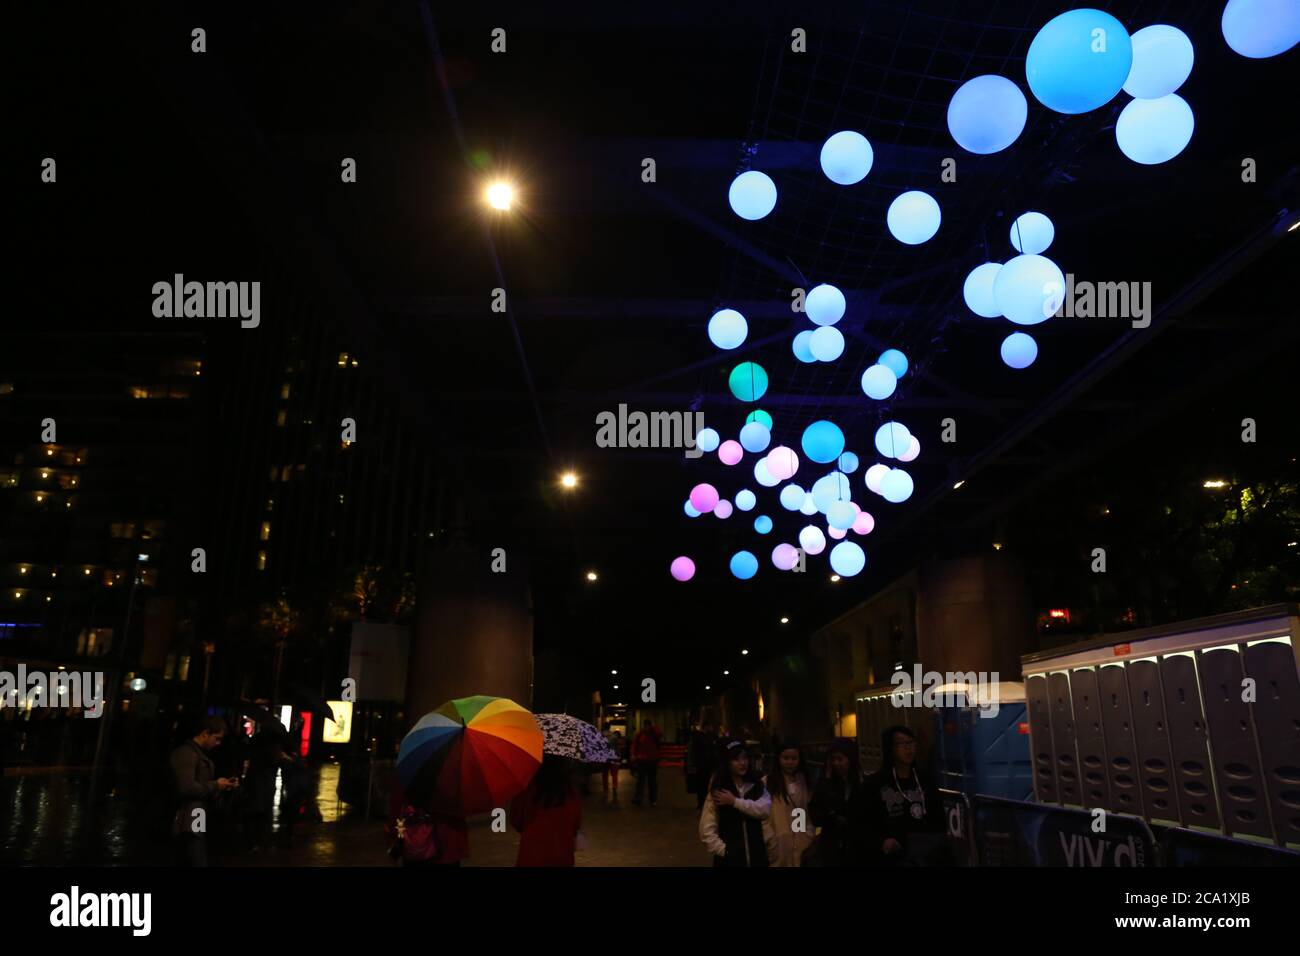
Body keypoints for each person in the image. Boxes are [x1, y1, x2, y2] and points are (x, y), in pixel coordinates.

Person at [864, 725, 948, 866]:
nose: (908, 748)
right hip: (894, 856)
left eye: (911, 743)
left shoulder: (925, 780)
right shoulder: (876, 783)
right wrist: (882, 841)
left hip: (925, 853)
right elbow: (866, 822)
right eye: (902, 744)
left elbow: (938, 818)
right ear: (890, 748)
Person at [170, 716, 239, 867]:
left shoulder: (196, 753)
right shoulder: (187, 753)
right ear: (205, 733)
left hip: (196, 814)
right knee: (195, 856)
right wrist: (215, 785)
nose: (218, 743)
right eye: (217, 738)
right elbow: (187, 787)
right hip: (190, 815)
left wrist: (221, 786)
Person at [699, 738, 771, 867]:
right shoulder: (719, 790)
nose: (742, 763)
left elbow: (765, 809)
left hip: (757, 857)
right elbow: (706, 829)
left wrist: (735, 802)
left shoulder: (757, 785)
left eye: (745, 758)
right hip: (729, 860)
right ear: (727, 762)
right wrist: (725, 851)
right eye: (736, 759)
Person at [511, 754, 583, 867]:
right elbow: (575, 823)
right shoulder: (569, 790)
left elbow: (516, 819)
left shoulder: (527, 787)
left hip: (532, 855)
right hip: (561, 855)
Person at [386, 770, 470, 867]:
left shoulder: (407, 769)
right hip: (448, 844)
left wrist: (394, 837)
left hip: (415, 843)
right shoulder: (455, 769)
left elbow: (396, 810)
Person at [806, 738, 867, 866]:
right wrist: (827, 782)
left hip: (856, 846)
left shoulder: (861, 782)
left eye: (840, 759)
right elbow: (816, 816)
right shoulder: (824, 784)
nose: (836, 763)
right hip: (832, 846)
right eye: (833, 759)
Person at [762, 740, 814, 866]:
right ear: (778, 758)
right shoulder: (767, 782)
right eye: (786, 758)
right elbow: (763, 814)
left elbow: (802, 810)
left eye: (794, 758)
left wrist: (806, 834)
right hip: (777, 840)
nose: (790, 762)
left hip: (799, 841)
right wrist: (770, 838)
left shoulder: (803, 780)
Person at [630, 719, 661, 806]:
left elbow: (659, 733)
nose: (647, 727)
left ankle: (652, 799)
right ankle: (640, 798)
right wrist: (633, 754)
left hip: (651, 760)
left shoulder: (653, 734)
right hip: (643, 760)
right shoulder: (641, 734)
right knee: (641, 781)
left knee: (651, 781)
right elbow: (634, 745)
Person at [686, 722, 717, 810]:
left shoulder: (708, 737)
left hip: (705, 765)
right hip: (702, 765)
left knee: (704, 785)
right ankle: (701, 803)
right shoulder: (700, 738)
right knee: (702, 785)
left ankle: (702, 803)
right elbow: (695, 752)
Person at [601, 730, 624, 804]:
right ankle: (614, 787)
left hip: (604, 759)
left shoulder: (601, 736)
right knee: (614, 774)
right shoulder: (614, 738)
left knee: (605, 775)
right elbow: (618, 749)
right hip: (613, 758)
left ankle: (605, 791)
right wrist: (619, 757)